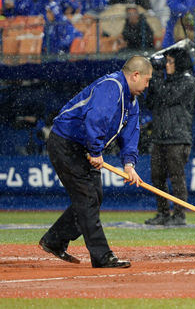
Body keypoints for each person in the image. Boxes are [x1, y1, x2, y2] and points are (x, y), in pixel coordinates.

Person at [39, 56, 153, 268]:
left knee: (95, 196)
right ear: (135, 75)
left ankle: (54, 240)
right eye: (147, 80)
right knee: (87, 198)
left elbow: (130, 134)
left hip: (84, 147)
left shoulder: (132, 101)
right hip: (66, 143)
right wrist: (95, 150)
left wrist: (129, 164)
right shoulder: (111, 86)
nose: (147, 85)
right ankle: (102, 256)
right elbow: (96, 118)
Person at [144, 46, 195, 226]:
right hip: (160, 136)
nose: (166, 65)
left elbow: (168, 96)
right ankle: (163, 213)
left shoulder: (187, 81)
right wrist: (154, 78)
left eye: (170, 62)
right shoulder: (163, 82)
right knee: (156, 177)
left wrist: (157, 73)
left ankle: (179, 215)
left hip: (178, 137)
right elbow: (150, 101)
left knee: (176, 178)